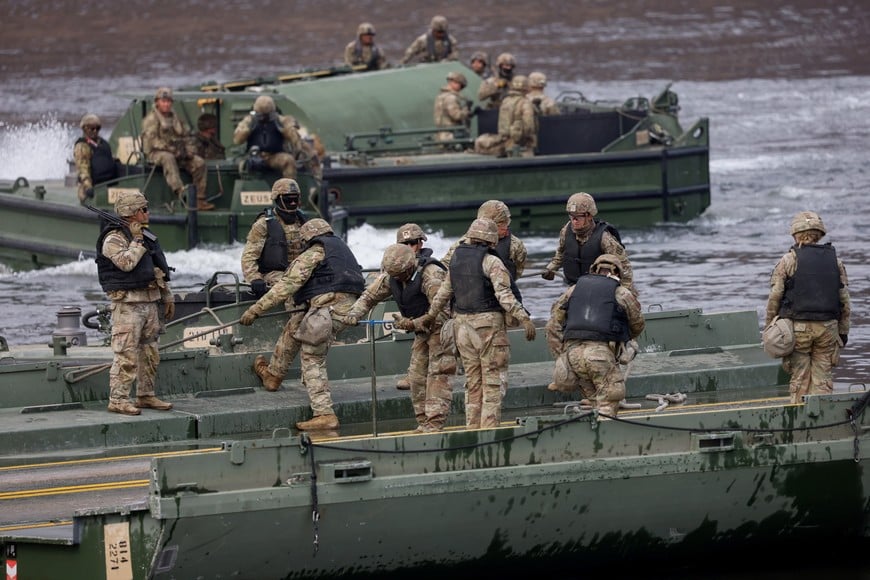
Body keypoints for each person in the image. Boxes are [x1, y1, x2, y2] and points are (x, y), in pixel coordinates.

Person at [239, 218, 365, 431]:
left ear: (308, 237)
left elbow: (286, 286)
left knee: (312, 357)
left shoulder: (313, 253)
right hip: (345, 308)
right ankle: (273, 375)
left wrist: (255, 310)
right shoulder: (342, 251)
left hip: (328, 310)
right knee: (295, 326)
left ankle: (324, 413)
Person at [410, 218, 536, 429]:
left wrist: (430, 316)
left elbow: (443, 294)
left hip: (462, 328)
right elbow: (504, 295)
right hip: (487, 328)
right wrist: (524, 318)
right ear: (490, 240)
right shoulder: (491, 262)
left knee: (473, 381)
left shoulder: (457, 259)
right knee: (492, 381)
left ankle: (472, 428)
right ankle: (488, 430)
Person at [343, 242, 455, 432]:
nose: (397, 278)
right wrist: (354, 313)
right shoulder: (392, 276)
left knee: (438, 375)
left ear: (409, 266)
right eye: (393, 275)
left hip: (441, 330)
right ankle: (423, 421)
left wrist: (413, 323)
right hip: (422, 332)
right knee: (417, 376)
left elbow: (442, 312)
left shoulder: (431, 274)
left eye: (400, 275)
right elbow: (370, 296)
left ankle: (435, 423)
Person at [96, 191, 175, 416]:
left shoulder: (145, 235)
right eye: (143, 209)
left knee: (150, 352)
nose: (147, 213)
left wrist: (167, 295)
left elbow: (157, 270)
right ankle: (118, 399)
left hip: (149, 301)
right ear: (132, 213)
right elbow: (126, 263)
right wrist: (137, 240)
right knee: (126, 354)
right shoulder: (114, 239)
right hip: (128, 305)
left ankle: (145, 395)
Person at [765, 211, 850, 404]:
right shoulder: (836, 262)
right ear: (819, 234)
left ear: (795, 234)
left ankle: (801, 420)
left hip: (798, 329)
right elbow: (844, 302)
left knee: (800, 378)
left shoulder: (788, 260)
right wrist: (843, 332)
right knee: (823, 379)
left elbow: (774, 298)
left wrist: (770, 325)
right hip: (828, 329)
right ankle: (821, 419)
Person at [544, 254, 645, 417]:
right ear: (618, 273)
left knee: (593, 398)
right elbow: (638, 323)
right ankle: (604, 435)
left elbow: (552, 325)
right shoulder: (621, 293)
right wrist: (625, 339)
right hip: (599, 357)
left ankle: (591, 421)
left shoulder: (573, 289)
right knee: (610, 401)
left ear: (594, 270)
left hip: (573, 357)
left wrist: (561, 356)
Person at [542, 192, 636, 295]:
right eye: (571, 216)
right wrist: (551, 268)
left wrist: (627, 294)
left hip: (600, 289)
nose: (574, 221)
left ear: (589, 216)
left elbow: (625, 267)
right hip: (574, 287)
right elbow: (560, 254)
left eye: (578, 217)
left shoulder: (605, 238)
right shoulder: (566, 231)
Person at [141, 87, 213, 211]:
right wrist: (173, 150)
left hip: (176, 151)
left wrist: (188, 150)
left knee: (199, 163)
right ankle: (181, 192)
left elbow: (186, 135)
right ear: (157, 102)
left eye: (168, 101)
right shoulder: (151, 120)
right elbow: (153, 141)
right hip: (156, 152)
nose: (166, 104)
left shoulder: (175, 119)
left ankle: (199, 199)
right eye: (163, 101)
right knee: (168, 158)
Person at [442, 200, 527, 304]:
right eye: (501, 224)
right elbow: (444, 270)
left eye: (506, 223)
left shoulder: (515, 245)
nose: (505, 228)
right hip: (467, 301)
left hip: (502, 300)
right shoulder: (461, 245)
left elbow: (517, 271)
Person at [240, 178, 307, 298]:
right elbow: (249, 256)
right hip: (273, 273)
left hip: (299, 271)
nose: (292, 203)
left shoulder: (303, 222)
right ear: (277, 199)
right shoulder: (263, 224)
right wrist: (254, 278)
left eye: (295, 199)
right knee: (289, 285)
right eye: (288, 199)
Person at [232, 95, 317, 180]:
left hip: (274, 156)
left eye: (266, 115)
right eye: (261, 115)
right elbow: (237, 140)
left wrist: (288, 130)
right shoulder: (249, 120)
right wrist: (247, 129)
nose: (263, 118)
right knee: (240, 166)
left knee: (289, 160)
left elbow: (295, 139)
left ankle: (289, 189)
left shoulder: (281, 120)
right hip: (253, 156)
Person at [473, 75, 537, 157]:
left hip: (506, 142)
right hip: (522, 146)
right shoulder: (525, 103)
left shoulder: (505, 101)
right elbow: (529, 127)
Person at [73, 113, 117, 204]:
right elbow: (83, 169)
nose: (95, 131)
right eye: (92, 128)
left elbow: (108, 159)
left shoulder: (102, 143)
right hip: (92, 187)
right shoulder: (82, 146)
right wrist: (88, 187)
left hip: (108, 184)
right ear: (85, 128)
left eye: (97, 128)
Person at [433, 71, 472, 143]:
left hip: (442, 135)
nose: (460, 88)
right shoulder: (450, 97)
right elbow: (456, 115)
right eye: (460, 85)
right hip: (451, 136)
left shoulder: (441, 96)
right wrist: (466, 110)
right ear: (454, 82)